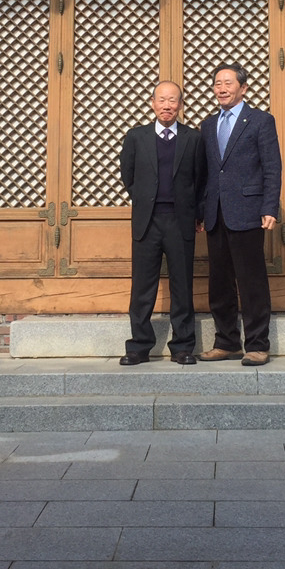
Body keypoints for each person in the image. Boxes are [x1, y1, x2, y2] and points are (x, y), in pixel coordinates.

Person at [199, 62, 282, 366]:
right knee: (219, 281)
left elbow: (272, 166)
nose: (222, 88)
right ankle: (226, 342)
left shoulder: (260, 121)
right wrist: (201, 211)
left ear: (243, 88)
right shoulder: (208, 125)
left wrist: (269, 207)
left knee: (251, 281)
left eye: (228, 83)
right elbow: (206, 172)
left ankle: (258, 344)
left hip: (248, 211)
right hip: (215, 212)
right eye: (217, 83)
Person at [119, 80, 205, 365]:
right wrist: (145, 199)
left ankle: (182, 346)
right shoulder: (136, 136)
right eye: (161, 100)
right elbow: (128, 175)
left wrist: (198, 213)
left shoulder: (193, 138)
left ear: (180, 105)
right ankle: (138, 346)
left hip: (180, 221)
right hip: (148, 221)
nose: (167, 106)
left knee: (182, 285)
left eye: (172, 100)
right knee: (142, 287)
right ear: (152, 103)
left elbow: (200, 178)